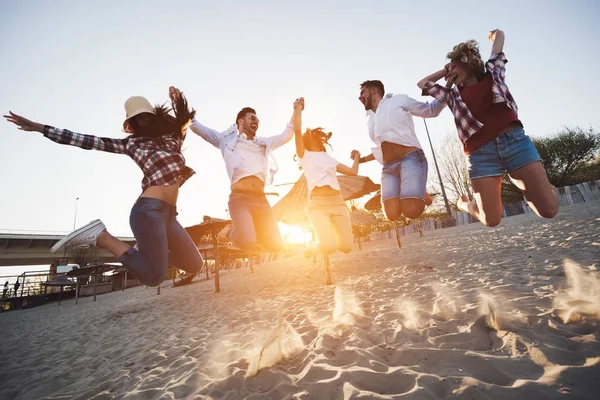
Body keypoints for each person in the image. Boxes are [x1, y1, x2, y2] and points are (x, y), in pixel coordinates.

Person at [4, 89, 204, 287]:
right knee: (154, 278)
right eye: (138, 118)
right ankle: (103, 237)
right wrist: (40, 128)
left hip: (169, 216)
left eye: (146, 116)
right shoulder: (131, 144)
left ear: (155, 117)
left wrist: (178, 100)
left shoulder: (172, 139)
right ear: (132, 124)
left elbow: (183, 119)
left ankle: (144, 249)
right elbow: (85, 141)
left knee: (195, 264)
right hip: (148, 212)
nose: (143, 121)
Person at [417, 29, 558, 227]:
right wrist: (445, 70)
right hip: (480, 155)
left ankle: (546, 189)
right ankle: (465, 204)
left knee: (548, 210)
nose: (450, 73)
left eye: (454, 67)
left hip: (515, 142)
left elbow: (499, 41)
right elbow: (422, 83)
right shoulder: (451, 94)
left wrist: (496, 34)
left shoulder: (493, 73)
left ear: (467, 64)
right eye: (449, 70)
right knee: (491, 219)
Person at [172, 86, 304, 252]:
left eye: (257, 120)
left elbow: (287, 134)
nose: (256, 122)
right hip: (240, 199)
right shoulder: (224, 140)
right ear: (240, 121)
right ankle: (227, 233)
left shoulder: (263, 143)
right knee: (247, 241)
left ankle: (254, 231)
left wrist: (296, 110)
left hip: (261, 200)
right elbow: (197, 127)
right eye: (252, 118)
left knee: (276, 246)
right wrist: (179, 102)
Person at [351, 80, 444, 222]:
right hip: (388, 166)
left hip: (410, 158)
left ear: (374, 90)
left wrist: (447, 92)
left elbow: (431, 110)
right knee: (392, 215)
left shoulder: (398, 100)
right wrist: (361, 159)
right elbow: (381, 149)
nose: (359, 97)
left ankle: (415, 188)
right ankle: (410, 186)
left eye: (362, 92)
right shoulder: (371, 120)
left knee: (411, 210)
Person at [294, 118, 360, 255]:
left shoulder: (329, 158)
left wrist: (357, 157)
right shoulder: (304, 155)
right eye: (311, 134)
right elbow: (297, 130)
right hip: (318, 205)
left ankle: (324, 242)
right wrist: (298, 109)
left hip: (338, 204)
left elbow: (353, 172)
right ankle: (311, 247)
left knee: (346, 247)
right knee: (329, 247)